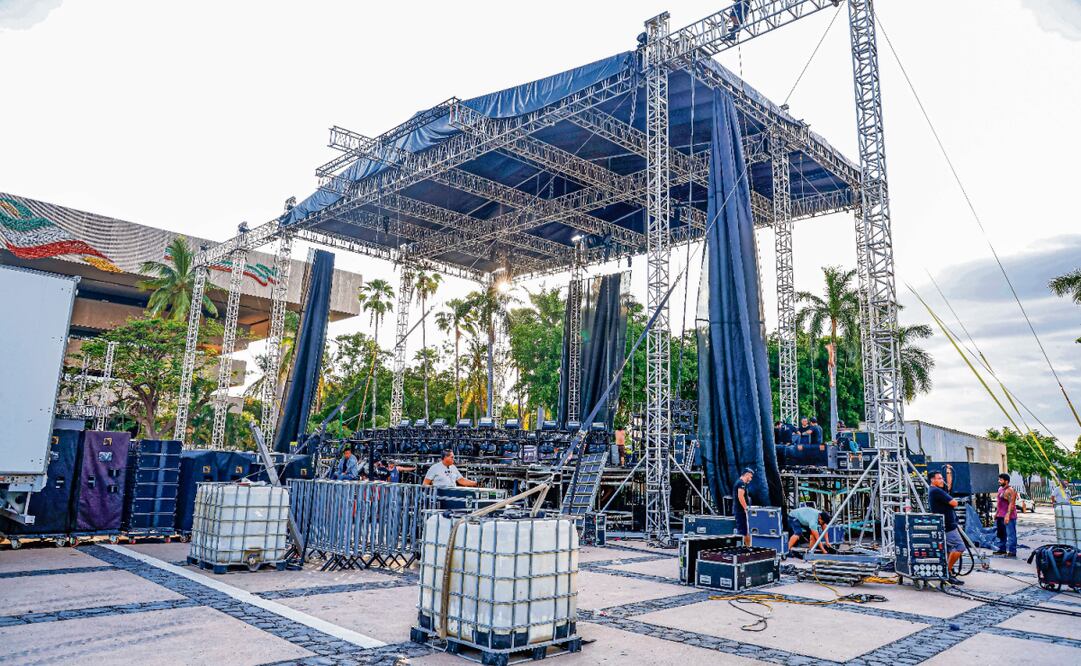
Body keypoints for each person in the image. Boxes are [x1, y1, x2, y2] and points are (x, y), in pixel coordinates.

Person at [928, 468, 965, 585]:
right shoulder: (936, 491)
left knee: (950, 550)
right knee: (959, 547)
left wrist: (949, 474)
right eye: (939, 478)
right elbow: (954, 502)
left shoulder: (936, 490)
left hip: (946, 524)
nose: (941, 480)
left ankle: (948, 572)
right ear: (932, 480)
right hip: (947, 526)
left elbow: (948, 488)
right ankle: (946, 572)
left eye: (942, 478)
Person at [993, 473, 1018, 558]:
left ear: (1006, 481)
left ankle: (1012, 551)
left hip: (1009, 516)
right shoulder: (1000, 489)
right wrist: (996, 513)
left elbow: (1012, 504)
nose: (999, 481)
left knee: (1011, 534)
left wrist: (1008, 515)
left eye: (1001, 480)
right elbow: (999, 503)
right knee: (1001, 533)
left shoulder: (1010, 490)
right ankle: (1002, 549)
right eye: (999, 479)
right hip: (1000, 515)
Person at [733, 468, 754, 547]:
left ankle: (748, 546)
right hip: (740, 511)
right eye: (750, 477)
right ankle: (747, 547)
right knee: (744, 531)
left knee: (745, 531)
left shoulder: (740, 483)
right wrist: (746, 508)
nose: (751, 479)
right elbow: (740, 496)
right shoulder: (741, 483)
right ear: (747, 474)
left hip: (741, 511)